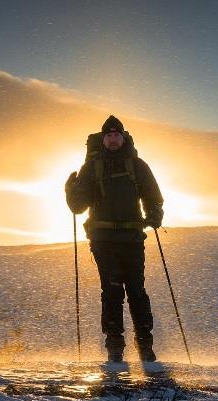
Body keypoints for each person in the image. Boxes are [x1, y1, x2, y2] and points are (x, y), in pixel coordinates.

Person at [65, 115, 164, 362]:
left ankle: (144, 345)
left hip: (131, 238)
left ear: (123, 137)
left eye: (116, 135)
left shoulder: (137, 165)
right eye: (108, 135)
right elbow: (78, 207)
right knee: (112, 291)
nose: (112, 139)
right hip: (103, 240)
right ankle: (115, 346)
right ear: (103, 139)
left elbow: (153, 195)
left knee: (135, 290)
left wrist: (154, 214)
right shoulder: (92, 167)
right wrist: (70, 190)